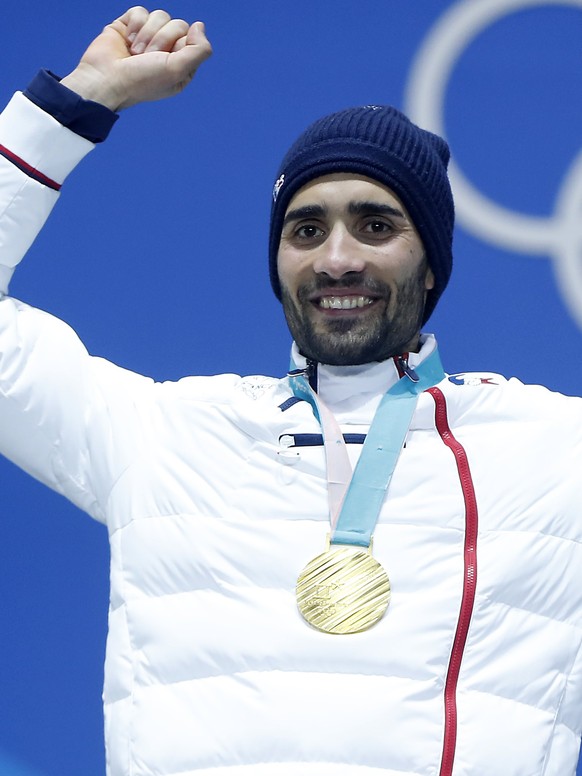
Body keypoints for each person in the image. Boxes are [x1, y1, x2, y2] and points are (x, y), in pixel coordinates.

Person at [0, 7, 581, 776]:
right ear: (277, 262)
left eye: (375, 226)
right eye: (306, 230)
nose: (337, 259)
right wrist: (77, 101)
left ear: (432, 264)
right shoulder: (160, 434)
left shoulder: (554, 449)